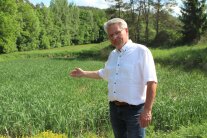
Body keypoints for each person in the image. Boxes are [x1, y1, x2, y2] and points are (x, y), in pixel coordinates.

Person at [70, 18, 157, 138]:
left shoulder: (141, 51)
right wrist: (84, 73)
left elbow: (152, 81)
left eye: (117, 33)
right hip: (115, 110)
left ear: (126, 31)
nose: (114, 37)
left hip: (134, 111)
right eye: (111, 35)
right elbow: (103, 73)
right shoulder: (113, 55)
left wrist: (147, 110)